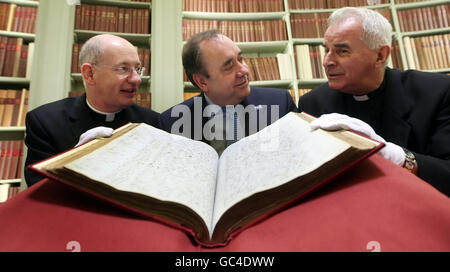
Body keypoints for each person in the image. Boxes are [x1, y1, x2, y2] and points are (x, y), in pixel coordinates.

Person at [297, 7, 450, 196]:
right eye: (326, 50)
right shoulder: (312, 104)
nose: (327, 61)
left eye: (342, 51)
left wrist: (397, 157)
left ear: (380, 56)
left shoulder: (437, 93)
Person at [24, 34, 160, 187]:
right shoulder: (45, 121)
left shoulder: (153, 123)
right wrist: (74, 163)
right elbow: (38, 190)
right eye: (123, 68)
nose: (136, 79)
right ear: (89, 74)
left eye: (137, 69)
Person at [159, 30, 297, 155]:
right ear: (202, 82)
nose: (244, 71)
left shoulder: (280, 104)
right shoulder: (172, 124)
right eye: (229, 67)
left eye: (241, 59)